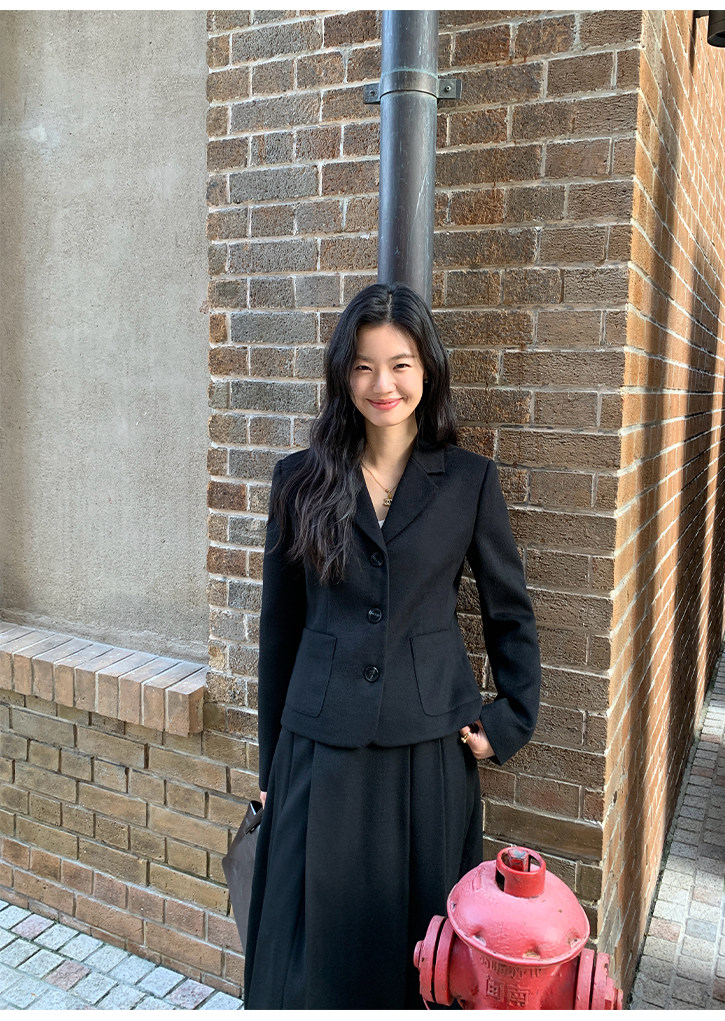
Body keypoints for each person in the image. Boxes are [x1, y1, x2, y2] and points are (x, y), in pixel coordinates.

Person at [243, 283, 541, 1009]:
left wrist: (508, 720)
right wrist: (270, 763)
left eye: (401, 364)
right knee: (307, 951)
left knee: (421, 951)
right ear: (343, 376)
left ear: (426, 370)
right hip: (318, 748)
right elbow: (279, 632)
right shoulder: (299, 480)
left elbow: (509, 611)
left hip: (429, 748)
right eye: (364, 366)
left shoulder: (468, 481)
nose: (384, 383)